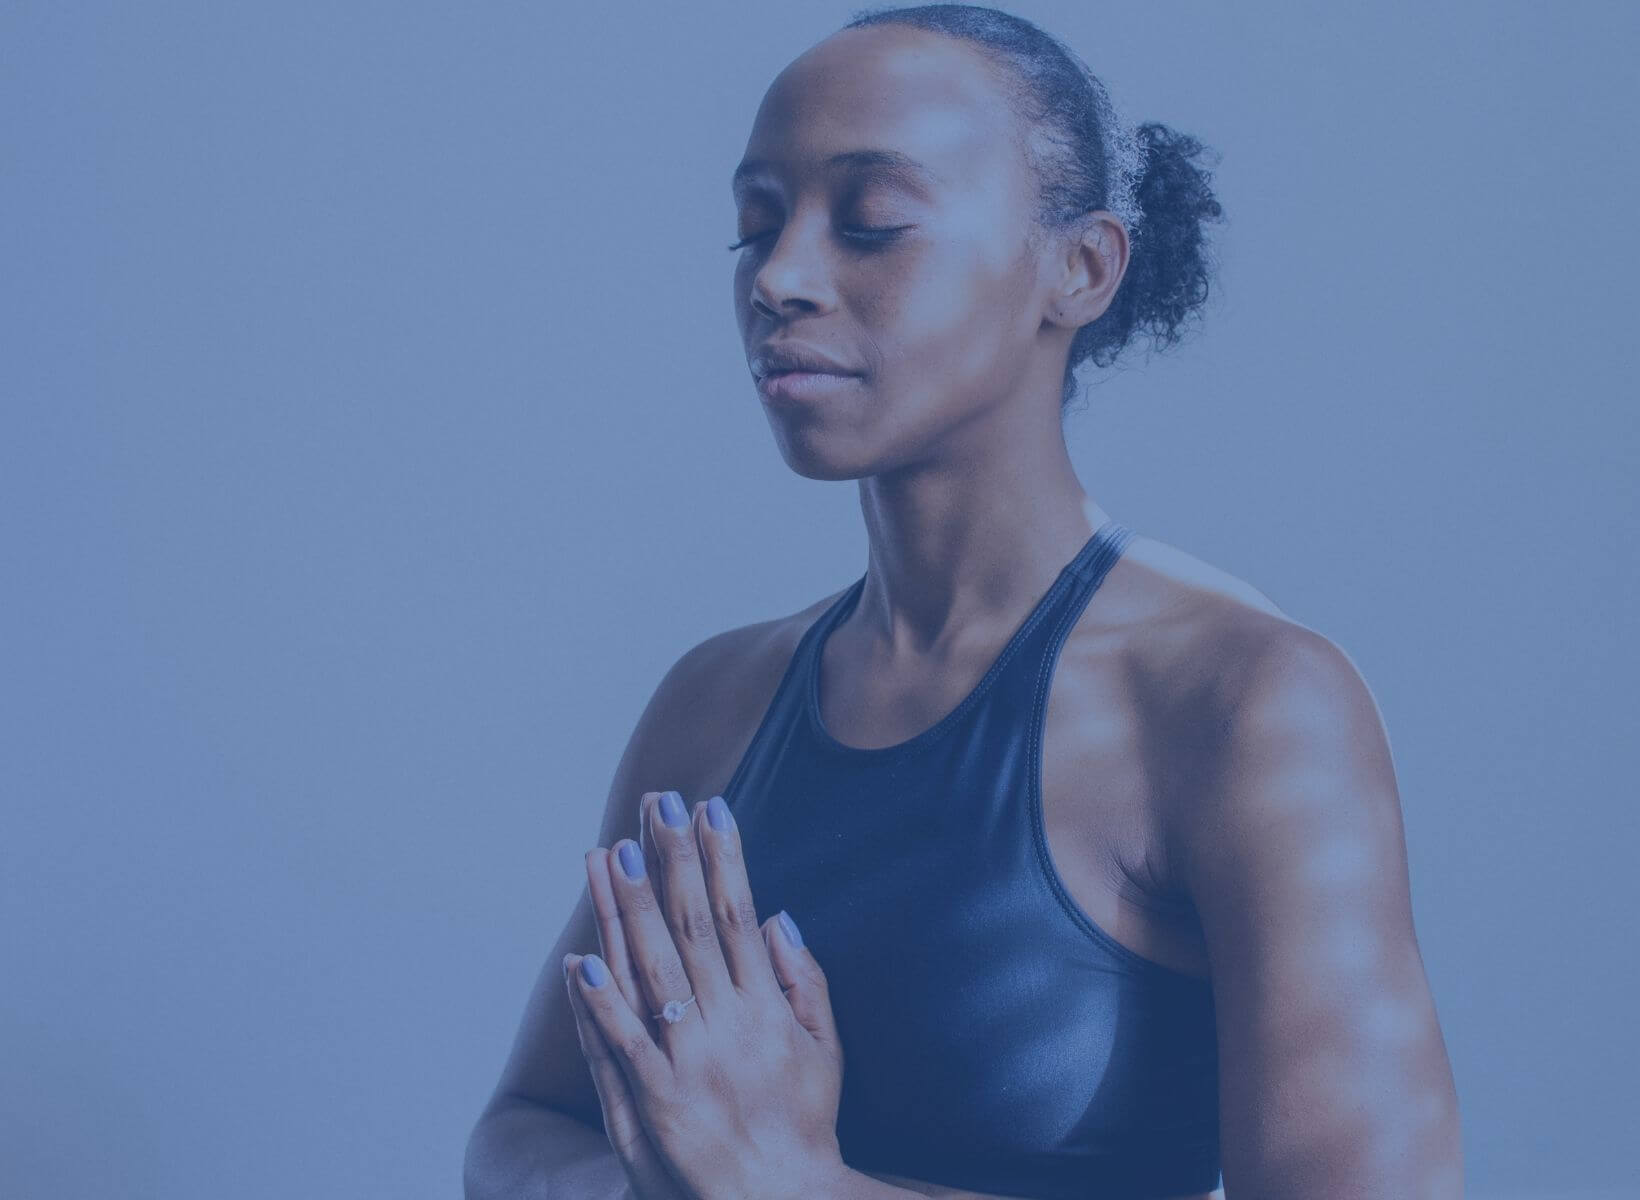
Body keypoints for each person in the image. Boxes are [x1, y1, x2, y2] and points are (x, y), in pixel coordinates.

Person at [464, 5, 1464, 1198]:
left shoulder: (1242, 704)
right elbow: (522, 1128)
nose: (780, 278)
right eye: (755, 226)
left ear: (1079, 268)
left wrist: (792, 1187)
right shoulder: (711, 705)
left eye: (872, 223)